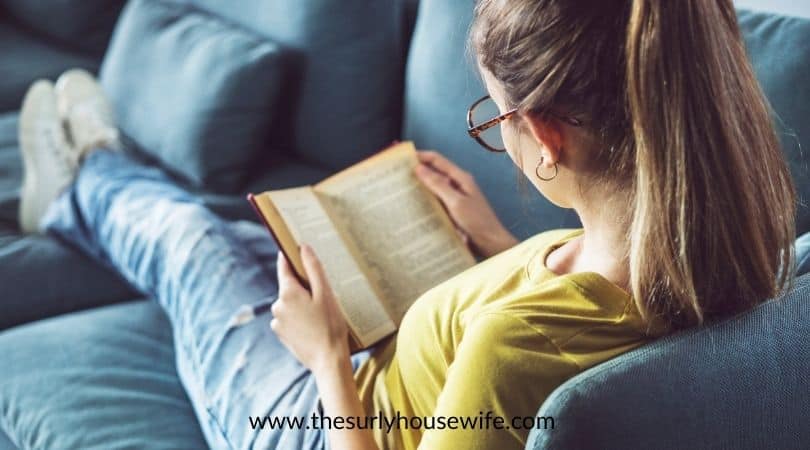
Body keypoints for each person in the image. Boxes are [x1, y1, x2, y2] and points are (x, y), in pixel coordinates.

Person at [15, 0, 798, 448]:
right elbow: (578, 318)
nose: (498, 132)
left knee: (194, 246)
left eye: (497, 121)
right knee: (257, 243)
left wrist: (325, 359)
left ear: (549, 137)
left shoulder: (509, 352)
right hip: (384, 380)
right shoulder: (744, 251)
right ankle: (97, 174)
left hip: (320, 423)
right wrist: (497, 246)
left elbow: (522, 355)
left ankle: (80, 181)